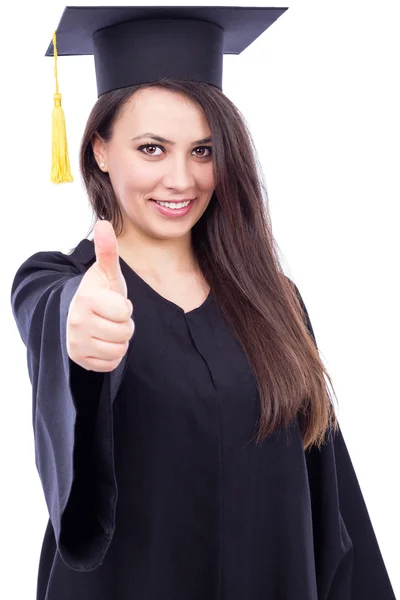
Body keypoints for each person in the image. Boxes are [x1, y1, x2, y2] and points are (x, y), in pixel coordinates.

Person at [10, 6, 396, 600]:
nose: (182, 180)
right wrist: (77, 326)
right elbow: (50, 311)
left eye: (203, 151)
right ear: (99, 152)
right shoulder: (64, 284)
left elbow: (331, 494)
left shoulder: (274, 300)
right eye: (152, 149)